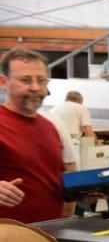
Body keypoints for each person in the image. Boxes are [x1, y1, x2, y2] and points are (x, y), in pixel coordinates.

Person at [0, 48, 64, 223]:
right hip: (8, 241)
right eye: (25, 80)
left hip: (49, 236)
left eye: (42, 80)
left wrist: (82, 192)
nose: (36, 87)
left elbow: (53, 182)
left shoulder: (49, 127)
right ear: (3, 82)